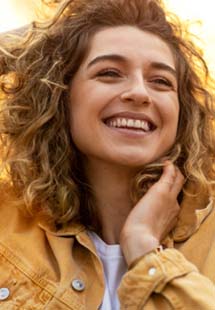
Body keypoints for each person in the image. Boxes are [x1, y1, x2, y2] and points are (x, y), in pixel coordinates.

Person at [0, 0, 215, 308]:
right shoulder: (8, 222)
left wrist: (143, 247)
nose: (140, 93)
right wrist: (46, 39)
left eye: (161, 81)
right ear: (59, 95)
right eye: (110, 73)